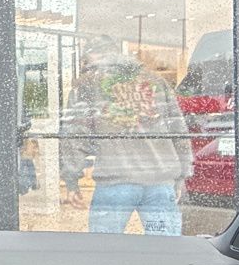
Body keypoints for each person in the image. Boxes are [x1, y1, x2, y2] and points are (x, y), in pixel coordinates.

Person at [59, 38, 192, 236]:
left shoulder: (87, 85)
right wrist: (181, 175)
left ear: (91, 57)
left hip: (115, 180)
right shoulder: (156, 81)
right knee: (165, 248)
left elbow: (75, 135)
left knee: (105, 249)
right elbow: (178, 131)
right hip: (160, 178)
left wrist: (71, 180)